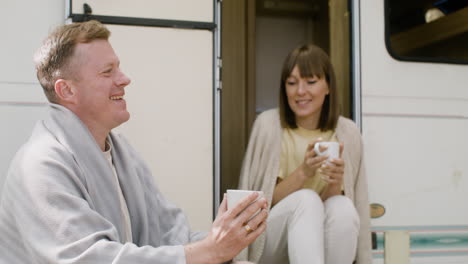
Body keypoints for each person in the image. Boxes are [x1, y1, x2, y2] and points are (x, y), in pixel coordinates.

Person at [0, 20, 268, 264]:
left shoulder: (121, 152)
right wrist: (210, 250)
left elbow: (172, 236)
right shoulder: (41, 165)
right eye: (108, 72)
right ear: (67, 90)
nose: (124, 79)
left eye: (118, 68)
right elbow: (90, 260)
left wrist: (226, 240)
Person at [236, 44, 371, 264]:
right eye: (292, 83)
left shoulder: (348, 132)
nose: (300, 91)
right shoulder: (268, 125)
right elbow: (263, 202)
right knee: (306, 200)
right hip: (271, 238)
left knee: (343, 207)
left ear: (328, 86)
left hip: (316, 242)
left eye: (310, 82)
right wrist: (304, 172)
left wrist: (335, 184)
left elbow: (337, 210)